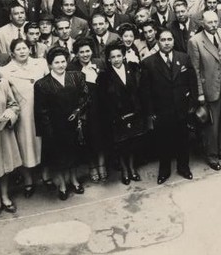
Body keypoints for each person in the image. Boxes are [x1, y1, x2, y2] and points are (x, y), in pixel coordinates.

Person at [140, 29, 197, 184]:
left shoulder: (184, 58)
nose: (166, 43)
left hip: (182, 107)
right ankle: (164, 170)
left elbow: (192, 81)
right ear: (158, 42)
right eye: (163, 40)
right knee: (163, 141)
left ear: (173, 40)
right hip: (162, 109)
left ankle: (183, 167)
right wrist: (150, 111)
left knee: (183, 139)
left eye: (169, 39)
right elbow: (146, 90)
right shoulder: (148, 62)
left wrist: (192, 103)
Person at [34, 47, 89, 200]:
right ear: (50, 64)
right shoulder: (41, 84)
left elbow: (85, 97)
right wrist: (48, 132)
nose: (61, 65)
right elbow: (41, 110)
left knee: (74, 155)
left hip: (73, 124)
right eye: (56, 62)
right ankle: (62, 185)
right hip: (55, 127)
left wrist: (77, 112)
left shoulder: (77, 76)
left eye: (63, 61)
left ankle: (74, 180)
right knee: (59, 158)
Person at [187, 10, 221, 171]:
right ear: (202, 23)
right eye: (210, 22)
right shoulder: (195, 41)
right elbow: (195, 70)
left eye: (216, 21)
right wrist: (200, 93)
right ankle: (212, 155)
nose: (214, 25)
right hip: (209, 87)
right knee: (211, 125)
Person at [0, 39, 48, 196]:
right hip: (23, 115)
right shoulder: (5, 71)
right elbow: (7, 96)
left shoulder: (40, 63)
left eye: (25, 48)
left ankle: (46, 176)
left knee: (45, 143)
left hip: (43, 111)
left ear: (30, 49)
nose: (22, 51)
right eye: (18, 49)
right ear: (12, 52)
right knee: (25, 146)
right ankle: (28, 180)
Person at [98, 41, 147, 184]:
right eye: (113, 57)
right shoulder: (104, 76)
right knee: (121, 144)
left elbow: (139, 92)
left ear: (124, 56)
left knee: (133, 142)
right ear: (108, 59)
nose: (116, 59)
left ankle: (132, 168)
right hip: (117, 117)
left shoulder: (133, 69)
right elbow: (104, 100)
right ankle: (125, 170)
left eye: (119, 56)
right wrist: (114, 115)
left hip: (134, 113)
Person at [68, 37, 106, 182]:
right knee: (88, 137)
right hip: (84, 109)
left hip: (100, 105)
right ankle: (92, 166)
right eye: (81, 52)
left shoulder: (99, 63)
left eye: (87, 51)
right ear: (76, 54)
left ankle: (102, 164)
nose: (85, 54)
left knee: (101, 135)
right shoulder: (71, 68)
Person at [0, 68, 22, 215]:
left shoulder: (3, 84)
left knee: (4, 165)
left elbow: (13, 105)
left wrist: (9, 114)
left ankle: (5, 196)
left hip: (2, 132)